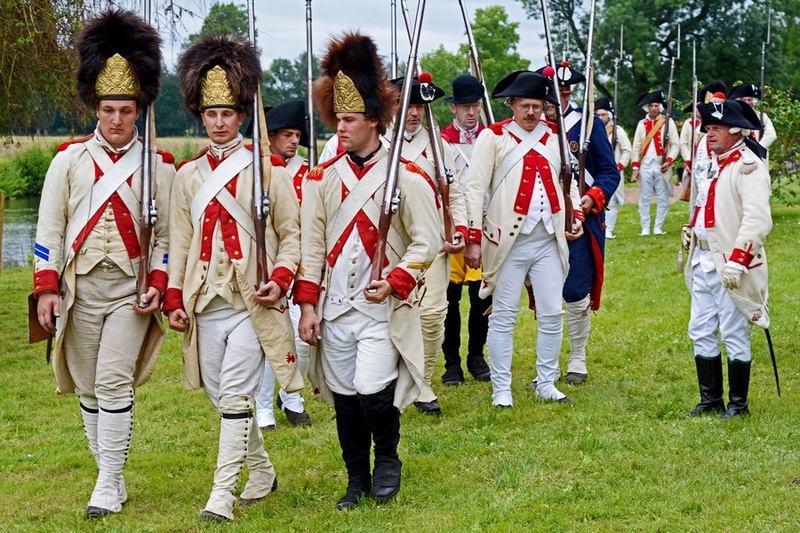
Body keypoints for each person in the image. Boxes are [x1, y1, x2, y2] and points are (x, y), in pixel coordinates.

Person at [33, 10, 173, 519]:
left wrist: (158, 280)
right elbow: (48, 232)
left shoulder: (160, 165)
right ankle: (107, 474)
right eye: (110, 108)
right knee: (89, 387)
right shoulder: (67, 161)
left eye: (127, 110)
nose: (117, 119)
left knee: (114, 380)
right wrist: (47, 289)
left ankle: (109, 483)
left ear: (140, 111)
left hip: (131, 291)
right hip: (79, 288)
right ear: (97, 106)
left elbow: (167, 236)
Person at [294, 32, 440, 509]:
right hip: (335, 308)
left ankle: (389, 459)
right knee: (344, 401)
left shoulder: (407, 176)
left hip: (381, 308)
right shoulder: (321, 176)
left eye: (350, 119)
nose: (341, 127)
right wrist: (309, 305)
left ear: (374, 121)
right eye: (337, 118)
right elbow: (312, 245)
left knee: (373, 394)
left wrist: (399, 277)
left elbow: (429, 239)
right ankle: (356, 479)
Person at [165, 34, 303, 522]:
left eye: (227, 114)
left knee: (239, 394)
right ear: (201, 117)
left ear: (242, 117)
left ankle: (221, 496)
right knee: (222, 397)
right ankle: (262, 471)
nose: (219, 122)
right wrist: (174, 296)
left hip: (252, 301)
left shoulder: (270, 171)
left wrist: (282, 277)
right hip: (204, 303)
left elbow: (293, 237)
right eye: (211, 114)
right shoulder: (187, 175)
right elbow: (179, 242)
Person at [464, 70, 582, 407]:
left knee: (550, 313)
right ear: (512, 105)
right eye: (525, 106)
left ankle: (547, 381)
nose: (531, 113)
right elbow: (475, 188)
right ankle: (501, 388)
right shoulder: (494, 137)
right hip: (507, 242)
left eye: (537, 106)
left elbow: (567, 180)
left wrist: (573, 213)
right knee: (502, 316)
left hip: (548, 239)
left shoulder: (555, 136)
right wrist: (473, 236)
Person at [681, 92, 771, 419]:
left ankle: (738, 404)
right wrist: (693, 228)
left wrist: (738, 260)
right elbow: (709, 208)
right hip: (703, 260)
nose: (710, 133)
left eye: (717, 127)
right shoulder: (716, 165)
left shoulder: (749, 166)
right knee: (701, 328)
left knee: (733, 331)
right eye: (708, 127)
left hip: (731, 265)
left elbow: (758, 219)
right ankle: (710, 399)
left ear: (736, 130)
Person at [531, 61, 620, 387]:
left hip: (579, 220)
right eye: (553, 96)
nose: (559, 103)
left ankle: (578, 355)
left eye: (564, 95)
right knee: (546, 294)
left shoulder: (587, 125)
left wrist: (592, 198)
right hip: (540, 221)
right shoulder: (532, 126)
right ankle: (548, 364)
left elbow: (610, 172)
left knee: (575, 289)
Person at [388, 74, 468, 415]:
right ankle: (391, 378)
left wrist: (460, 227)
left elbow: (457, 193)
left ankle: (423, 381)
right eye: (406, 105)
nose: (414, 113)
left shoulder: (439, 145)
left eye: (420, 106)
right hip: (390, 242)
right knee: (392, 315)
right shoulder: (380, 141)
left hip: (432, 239)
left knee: (434, 314)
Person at [253, 101, 313, 429]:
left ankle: (291, 396)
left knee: (301, 340)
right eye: (287, 135)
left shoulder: (308, 171)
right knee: (268, 341)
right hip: (268, 264)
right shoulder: (257, 170)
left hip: (302, 265)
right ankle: (263, 406)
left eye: (297, 135)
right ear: (270, 137)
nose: (293, 141)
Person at [439, 74, 492, 386]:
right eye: (465, 107)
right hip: (453, 226)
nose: (471, 113)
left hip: (486, 227)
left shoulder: (492, 139)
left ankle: (476, 355)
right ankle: (451, 363)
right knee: (449, 299)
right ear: (453, 108)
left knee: (481, 296)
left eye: (475, 106)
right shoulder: (441, 141)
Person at [630, 90, 680, 236]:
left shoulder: (667, 122)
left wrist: (669, 160)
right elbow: (636, 146)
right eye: (651, 105)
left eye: (656, 105)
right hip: (645, 164)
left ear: (660, 107)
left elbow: (675, 144)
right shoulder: (642, 124)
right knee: (644, 197)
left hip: (661, 164)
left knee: (662, 197)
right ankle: (645, 227)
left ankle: (658, 227)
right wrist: (635, 166)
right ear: (647, 107)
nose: (654, 108)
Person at [680, 80, 727, 206]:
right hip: (698, 169)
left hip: (712, 170)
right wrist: (689, 163)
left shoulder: (724, 129)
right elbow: (693, 148)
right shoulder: (699, 128)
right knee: (696, 203)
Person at [595, 97, 631, 240]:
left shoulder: (617, 131)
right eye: (599, 114)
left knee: (612, 201)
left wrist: (619, 166)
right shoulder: (592, 129)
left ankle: (609, 229)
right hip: (596, 170)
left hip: (612, 171)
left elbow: (627, 150)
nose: (601, 117)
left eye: (604, 114)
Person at [728, 83, 777, 150]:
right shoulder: (735, 116)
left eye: (749, 100)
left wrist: (758, 149)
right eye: (744, 100)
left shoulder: (762, 116)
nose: (747, 102)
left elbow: (771, 135)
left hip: (759, 154)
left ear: (754, 101)